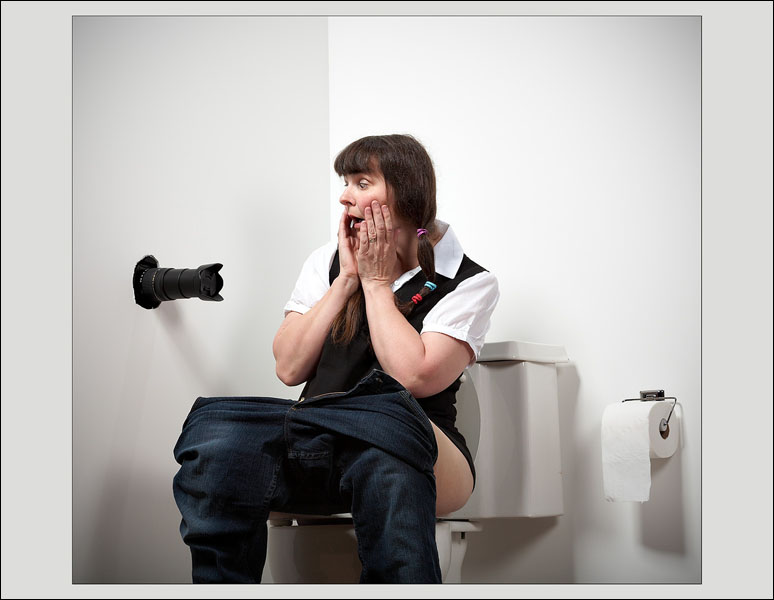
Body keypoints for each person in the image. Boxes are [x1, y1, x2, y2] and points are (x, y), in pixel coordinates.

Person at [172, 134, 499, 584]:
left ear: (406, 192)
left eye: (363, 183)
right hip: (320, 441)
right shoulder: (326, 262)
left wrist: (377, 283)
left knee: (384, 416)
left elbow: (415, 377)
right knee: (219, 427)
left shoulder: (468, 281)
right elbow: (288, 368)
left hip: (421, 452)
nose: (345, 196)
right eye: (346, 182)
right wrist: (346, 279)